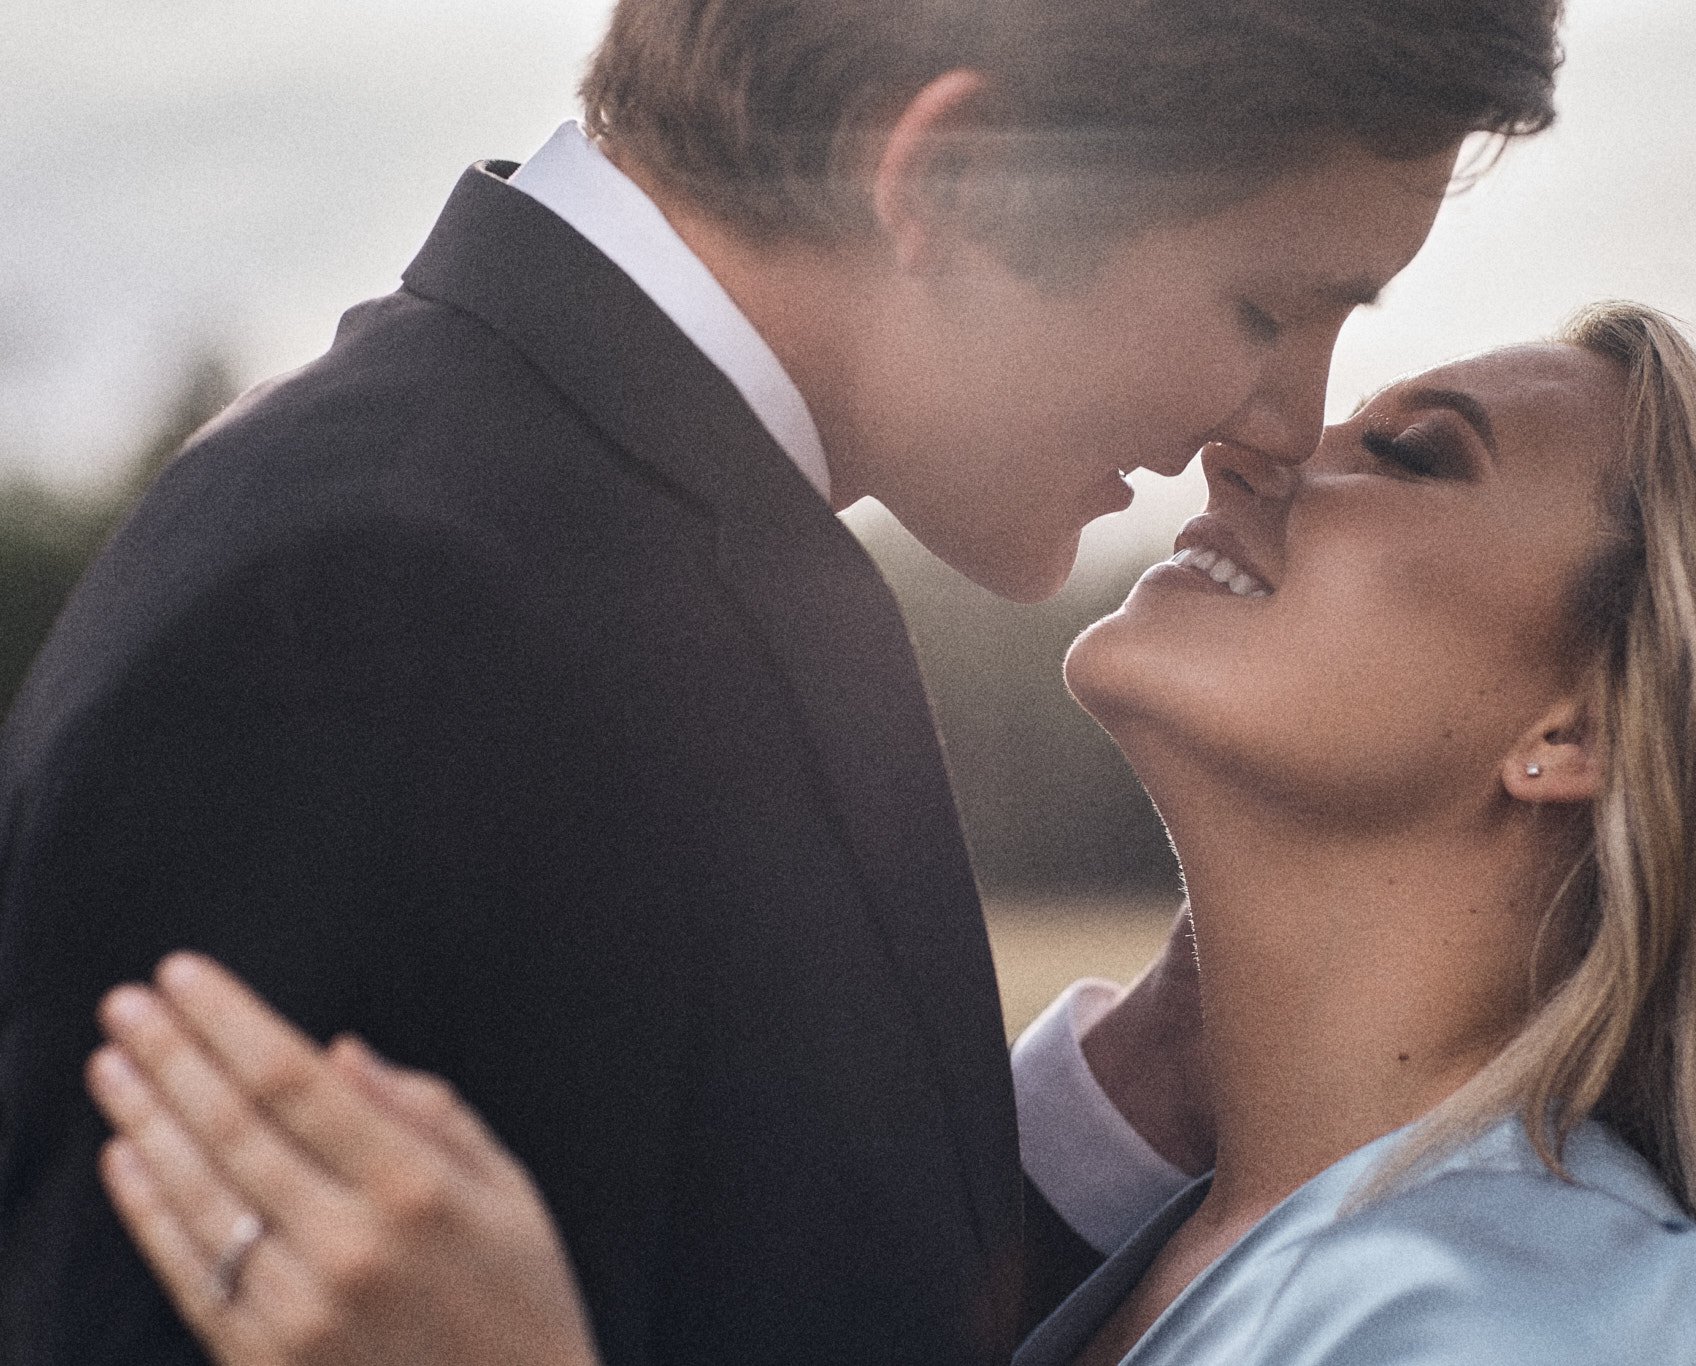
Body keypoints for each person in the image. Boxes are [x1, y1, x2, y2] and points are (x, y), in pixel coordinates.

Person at [0, 1, 1567, 1361]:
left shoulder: (662, 553)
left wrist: (1131, 1108)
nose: (1282, 423)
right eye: (1268, 306)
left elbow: (747, 1290)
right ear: (954, 182)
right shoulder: (376, 607)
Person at [84, 303, 1696, 1366]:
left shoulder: (1534, 1324)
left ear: (1580, 723)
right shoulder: (1186, 1226)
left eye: (1413, 452)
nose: (1264, 443)